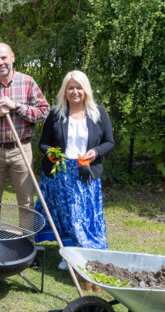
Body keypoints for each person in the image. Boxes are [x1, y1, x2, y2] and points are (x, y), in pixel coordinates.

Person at [35, 70, 114, 270]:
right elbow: (43, 144)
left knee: (84, 213)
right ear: (65, 91)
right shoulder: (55, 113)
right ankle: (68, 253)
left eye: (79, 87)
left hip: (85, 171)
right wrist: (51, 153)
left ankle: (86, 249)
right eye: (70, 87)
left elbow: (109, 142)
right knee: (66, 215)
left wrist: (95, 152)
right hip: (60, 172)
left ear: (85, 90)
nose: (75, 91)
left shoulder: (98, 112)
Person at [0, 43, 49, 227]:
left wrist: (18, 107)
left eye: (4, 57)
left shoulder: (28, 82)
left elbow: (43, 112)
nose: (1, 62)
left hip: (21, 148)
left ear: (12, 57)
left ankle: (27, 245)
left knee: (26, 200)